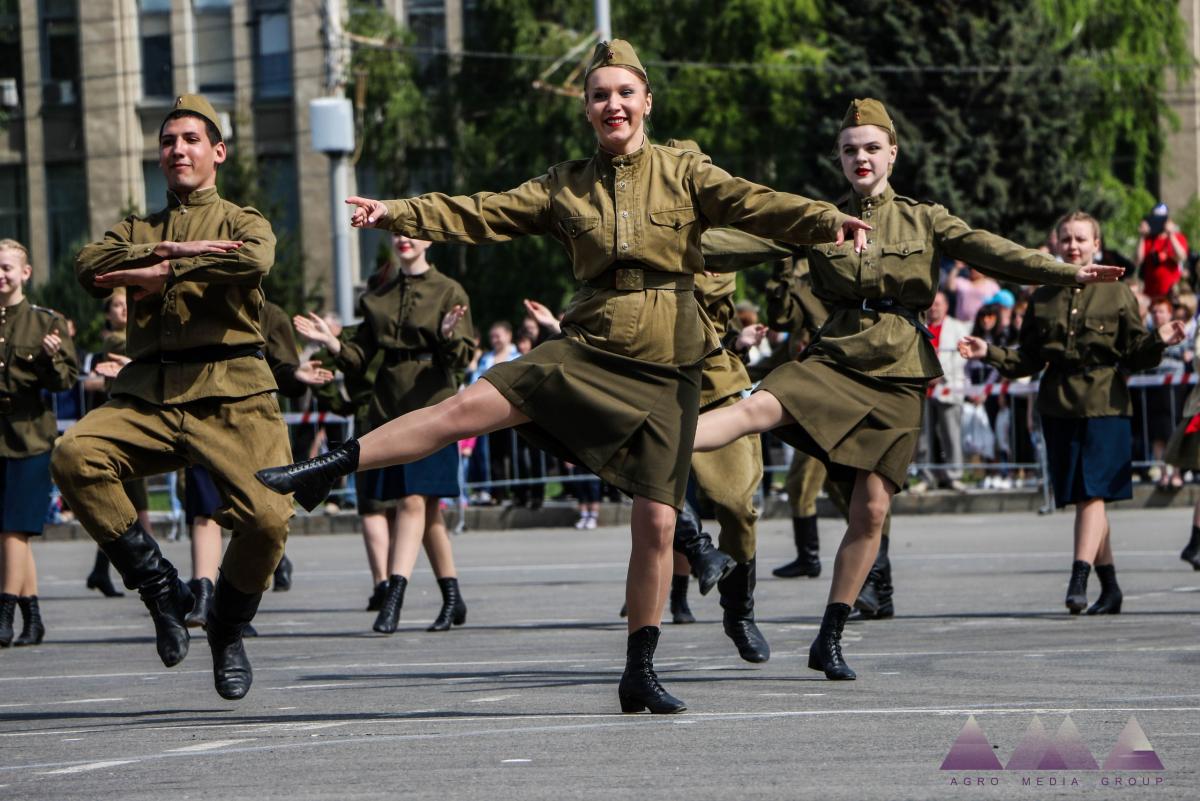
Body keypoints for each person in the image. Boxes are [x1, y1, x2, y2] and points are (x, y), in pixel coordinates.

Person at [256, 40, 866, 714]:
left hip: (671, 362)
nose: (614, 105)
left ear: (646, 103)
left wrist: (821, 220)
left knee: (658, 526)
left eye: (625, 93)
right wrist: (399, 210)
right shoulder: (562, 184)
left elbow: (754, 202)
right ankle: (327, 468)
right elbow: (479, 211)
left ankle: (639, 668)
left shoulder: (684, 171)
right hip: (590, 344)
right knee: (465, 410)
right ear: (586, 109)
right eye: (601, 95)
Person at [691, 99, 1125, 680]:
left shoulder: (926, 219)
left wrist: (1066, 272)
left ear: (892, 152)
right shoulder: (820, 220)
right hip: (837, 352)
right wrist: (664, 234)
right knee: (758, 407)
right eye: (850, 150)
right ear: (839, 159)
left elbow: (992, 249)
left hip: (899, 368)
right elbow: (731, 246)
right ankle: (660, 444)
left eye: (871, 148)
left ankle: (831, 636)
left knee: (871, 511)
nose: (860, 158)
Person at [50, 95, 294, 700]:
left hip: (233, 393)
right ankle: (161, 588)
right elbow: (88, 266)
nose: (177, 149)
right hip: (151, 392)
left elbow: (254, 261)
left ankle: (227, 628)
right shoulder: (138, 229)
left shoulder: (243, 219)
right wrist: (167, 253)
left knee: (268, 520)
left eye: (190, 139)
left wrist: (153, 276)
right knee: (74, 455)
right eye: (168, 141)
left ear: (217, 153)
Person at [960, 211, 1184, 613]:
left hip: (1104, 401)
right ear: (1057, 243)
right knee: (1085, 496)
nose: (1074, 246)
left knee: (1090, 493)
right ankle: (1111, 587)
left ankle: (1079, 576)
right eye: (1067, 240)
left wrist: (1159, 340)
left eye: (1082, 239)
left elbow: (1134, 353)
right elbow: (1028, 359)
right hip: (1058, 403)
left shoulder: (1117, 291)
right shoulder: (1044, 292)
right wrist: (988, 352)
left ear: (1096, 244)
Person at [293, 234, 474, 634]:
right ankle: (452, 598)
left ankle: (393, 596)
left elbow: (463, 357)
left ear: (428, 239)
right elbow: (360, 359)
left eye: (412, 232)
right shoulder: (377, 297)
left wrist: (446, 336)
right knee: (425, 515)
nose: (404, 239)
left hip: (435, 408)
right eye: (397, 232)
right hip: (389, 410)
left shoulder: (449, 290)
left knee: (413, 501)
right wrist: (333, 343)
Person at [182, 298, 333, 628]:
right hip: (199, 415)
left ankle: (236, 599)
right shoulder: (192, 302)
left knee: (251, 515)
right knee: (205, 508)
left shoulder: (271, 314)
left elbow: (284, 370)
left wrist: (297, 374)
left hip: (251, 426)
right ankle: (203, 594)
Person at [0, 239, 78, 647]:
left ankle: (5, 612)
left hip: (29, 437)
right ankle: (34, 618)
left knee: (15, 528)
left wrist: (49, 358)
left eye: (7, 268)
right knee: (10, 532)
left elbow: (64, 382)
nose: (1, 275)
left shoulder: (46, 323)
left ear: (25, 273)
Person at [913, 291, 972, 492]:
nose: (934, 308)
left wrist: (941, 376)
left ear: (946, 306)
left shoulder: (958, 327)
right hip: (923, 390)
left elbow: (961, 357)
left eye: (938, 304)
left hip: (948, 388)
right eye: (931, 304)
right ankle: (926, 476)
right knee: (923, 438)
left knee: (951, 434)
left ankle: (953, 475)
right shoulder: (917, 326)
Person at [1136, 203, 1188, 300]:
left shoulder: (1178, 238)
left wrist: (1171, 234)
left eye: (1162, 220)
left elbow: (1181, 257)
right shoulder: (1148, 240)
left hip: (1170, 294)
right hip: (1150, 293)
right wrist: (1142, 236)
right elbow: (1138, 260)